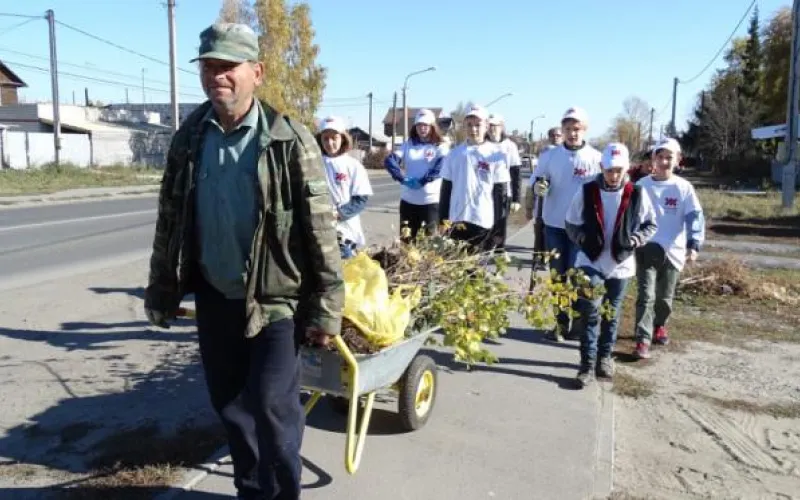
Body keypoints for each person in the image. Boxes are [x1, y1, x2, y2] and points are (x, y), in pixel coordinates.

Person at [143, 23, 344, 500]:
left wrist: (326, 306)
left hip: (276, 301)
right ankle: (253, 492)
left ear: (257, 72)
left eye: (228, 67)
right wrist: (162, 289)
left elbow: (320, 230)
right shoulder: (189, 138)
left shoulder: (288, 140)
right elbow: (170, 221)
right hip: (216, 297)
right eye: (209, 67)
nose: (218, 77)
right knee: (231, 407)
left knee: (274, 408)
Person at [565, 143, 657, 387]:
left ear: (626, 169)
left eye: (618, 170)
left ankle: (605, 357)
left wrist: (635, 240)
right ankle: (586, 366)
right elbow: (571, 223)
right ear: (601, 167)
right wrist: (583, 240)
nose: (613, 175)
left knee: (611, 313)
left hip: (621, 263)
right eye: (609, 170)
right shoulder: (586, 191)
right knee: (590, 311)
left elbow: (650, 224)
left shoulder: (637, 193)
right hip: (590, 260)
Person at [531, 107, 602, 342]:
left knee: (579, 277)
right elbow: (537, 181)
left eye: (577, 129)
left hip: (581, 228)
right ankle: (560, 323)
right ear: (562, 130)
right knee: (557, 276)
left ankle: (579, 323)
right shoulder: (549, 156)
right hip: (554, 225)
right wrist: (538, 187)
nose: (572, 134)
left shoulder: (595, 158)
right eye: (568, 129)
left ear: (585, 130)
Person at [633, 137, 705, 359]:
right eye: (660, 157)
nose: (664, 162)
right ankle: (642, 340)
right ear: (653, 159)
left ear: (678, 160)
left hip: (673, 251)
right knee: (646, 295)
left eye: (669, 158)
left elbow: (695, 217)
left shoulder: (683, 188)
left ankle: (659, 325)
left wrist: (694, 245)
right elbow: (630, 217)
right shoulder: (641, 186)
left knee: (664, 298)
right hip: (646, 248)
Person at [439, 105, 509, 252]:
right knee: (455, 267)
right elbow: (446, 190)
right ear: (464, 126)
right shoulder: (454, 154)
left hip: (482, 221)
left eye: (478, 125)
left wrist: (499, 230)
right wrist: (442, 220)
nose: (473, 129)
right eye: (469, 125)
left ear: (487, 126)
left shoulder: (496, 155)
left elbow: (500, 194)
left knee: (475, 270)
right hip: (456, 220)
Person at [383, 108, 448, 241]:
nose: (422, 128)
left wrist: (423, 181)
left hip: (430, 202)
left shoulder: (440, 146)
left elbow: (441, 166)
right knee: (406, 241)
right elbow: (390, 160)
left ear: (432, 126)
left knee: (429, 243)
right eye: (419, 125)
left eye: (425, 125)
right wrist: (402, 178)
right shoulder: (408, 145)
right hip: (408, 201)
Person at [317, 115, 373, 253]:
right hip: (319, 228)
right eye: (325, 138)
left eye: (334, 138)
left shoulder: (353, 166)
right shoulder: (314, 164)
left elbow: (361, 199)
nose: (329, 143)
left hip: (345, 231)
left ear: (342, 138)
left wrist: (339, 214)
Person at [525, 125, 563, 270]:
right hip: (540, 198)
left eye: (558, 135)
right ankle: (539, 257)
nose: (556, 138)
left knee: (551, 234)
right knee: (539, 232)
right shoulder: (546, 152)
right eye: (553, 135)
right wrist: (529, 208)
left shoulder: (564, 154)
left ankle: (548, 258)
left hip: (555, 204)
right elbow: (532, 186)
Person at [487, 113, 522, 252]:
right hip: (484, 188)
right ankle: (485, 248)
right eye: (489, 126)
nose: (492, 129)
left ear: (501, 127)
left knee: (500, 223)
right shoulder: (482, 144)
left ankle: (499, 251)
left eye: (495, 126)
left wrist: (516, 199)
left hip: (502, 189)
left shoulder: (510, 146)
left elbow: (516, 172)